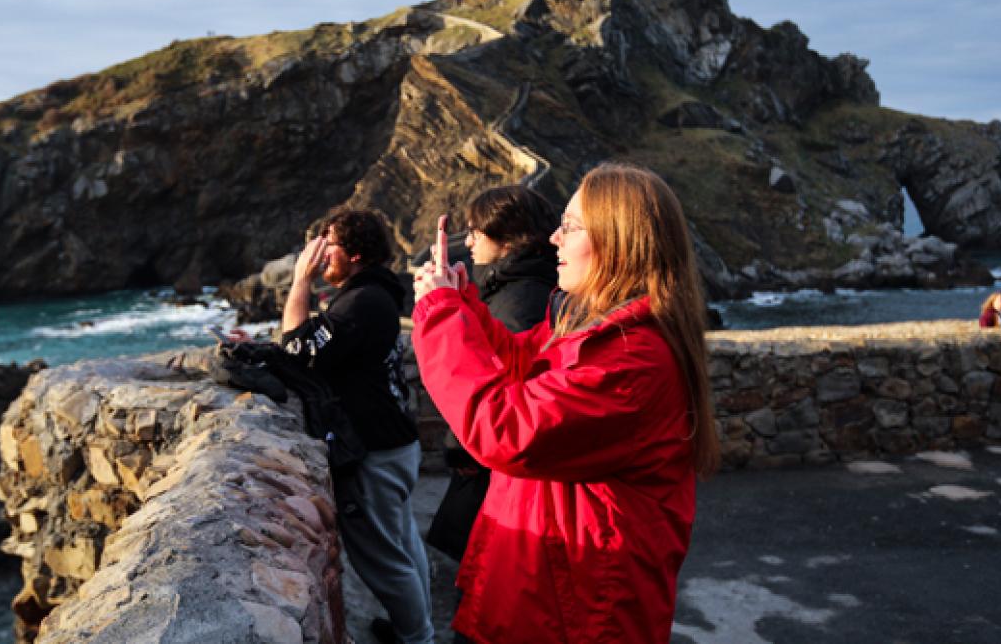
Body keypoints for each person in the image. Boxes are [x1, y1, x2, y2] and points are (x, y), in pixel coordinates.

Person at [411, 163, 720, 643]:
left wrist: (440, 314)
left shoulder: (631, 358)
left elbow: (506, 428)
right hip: (541, 598)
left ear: (618, 241)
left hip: (574, 615)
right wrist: (461, 303)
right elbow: (519, 362)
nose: (554, 238)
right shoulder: (592, 331)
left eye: (571, 226)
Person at [236, 208, 433, 644]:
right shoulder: (373, 294)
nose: (321, 255)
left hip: (375, 450)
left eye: (330, 247)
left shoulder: (362, 302)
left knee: (383, 558)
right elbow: (316, 350)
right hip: (396, 440)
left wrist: (301, 279)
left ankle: (419, 638)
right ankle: (414, 629)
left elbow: (297, 345)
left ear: (357, 253)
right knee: (401, 541)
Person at [426, 185, 557, 566]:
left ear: (509, 239)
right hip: (486, 462)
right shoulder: (516, 288)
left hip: (489, 467)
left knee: (486, 575)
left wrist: (440, 311)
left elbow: (505, 393)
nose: (467, 241)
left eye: (475, 232)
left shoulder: (521, 300)